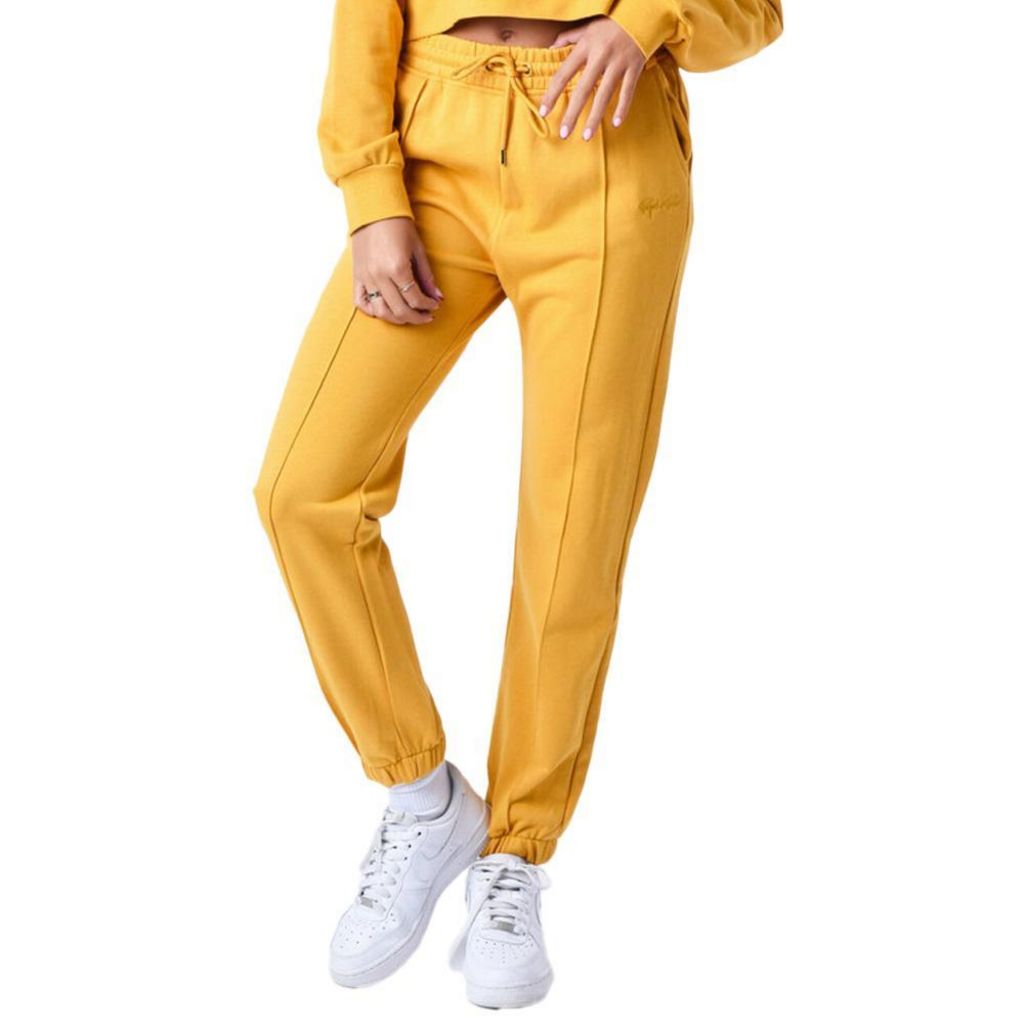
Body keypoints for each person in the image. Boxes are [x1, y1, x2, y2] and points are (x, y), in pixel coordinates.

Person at [253, 1, 783, 1009]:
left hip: (604, 150)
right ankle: (423, 795)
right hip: (434, 149)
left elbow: (752, 16)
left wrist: (646, 21)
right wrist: (371, 195)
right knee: (302, 489)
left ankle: (515, 854)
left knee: (573, 531)